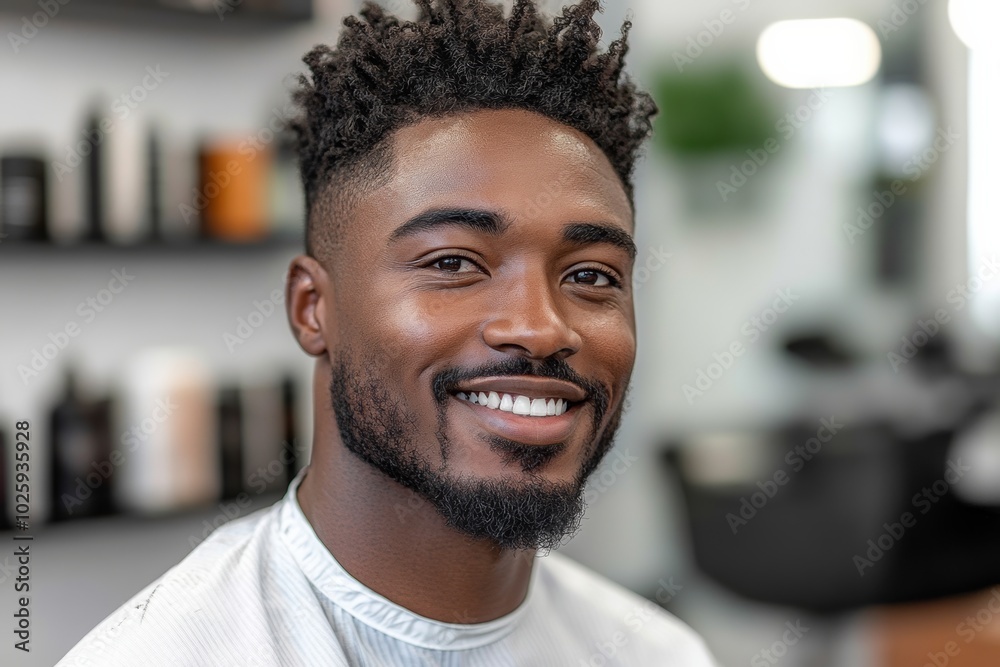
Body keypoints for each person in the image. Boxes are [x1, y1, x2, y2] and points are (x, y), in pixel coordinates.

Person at [59, 0, 717, 664]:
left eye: (593, 276)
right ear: (313, 308)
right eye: (453, 263)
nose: (540, 327)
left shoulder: (659, 652)